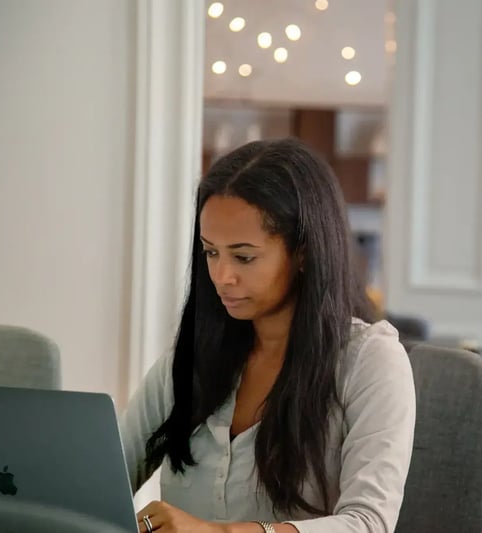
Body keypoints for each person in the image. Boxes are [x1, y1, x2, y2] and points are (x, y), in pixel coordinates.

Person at [120, 138, 416, 533]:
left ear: (305, 252)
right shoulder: (195, 355)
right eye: (211, 252)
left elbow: (368, 524)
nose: (222, 276)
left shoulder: (370, 360)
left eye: (244, 256)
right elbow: (108, 474)